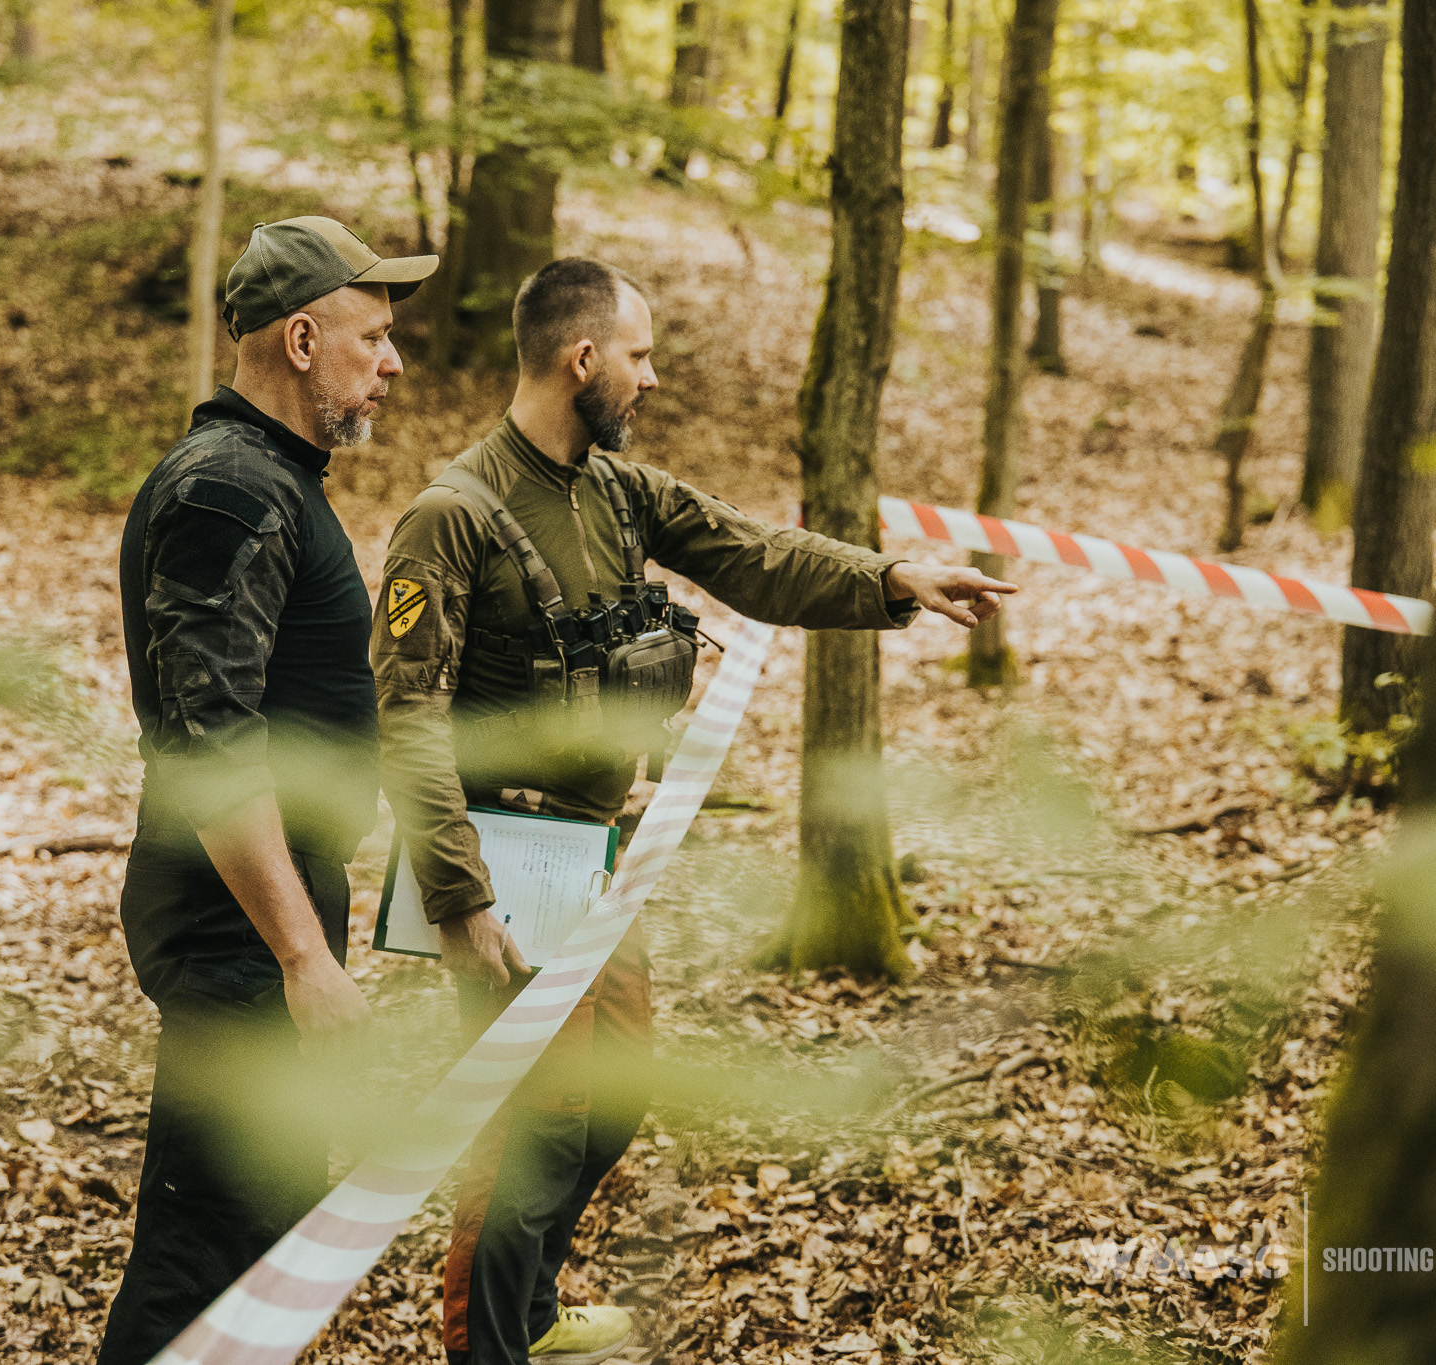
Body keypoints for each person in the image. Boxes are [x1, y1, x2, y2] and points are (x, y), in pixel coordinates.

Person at [371, 257, 1016, 1365]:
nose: (652, 378)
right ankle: (487, 1347)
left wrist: (893, 579)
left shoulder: (619, 493)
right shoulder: (453, 516)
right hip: (500, 869)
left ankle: (529, 1314)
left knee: (606, 1107)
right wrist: (459, 900)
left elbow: (754, 556)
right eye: (639, 356)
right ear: (581, 360)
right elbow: (407, 721)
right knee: (532, 1131)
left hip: (594, 863)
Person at [98, 216, 436, 1365]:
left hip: (265, 921)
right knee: (203, 1263)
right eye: (373, 337)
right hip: (236, 930)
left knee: (257, 1256)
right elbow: (212, 746)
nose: (391, 364)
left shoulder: (274, 482)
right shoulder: (228, 493)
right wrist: (298, 958)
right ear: (301, 338)